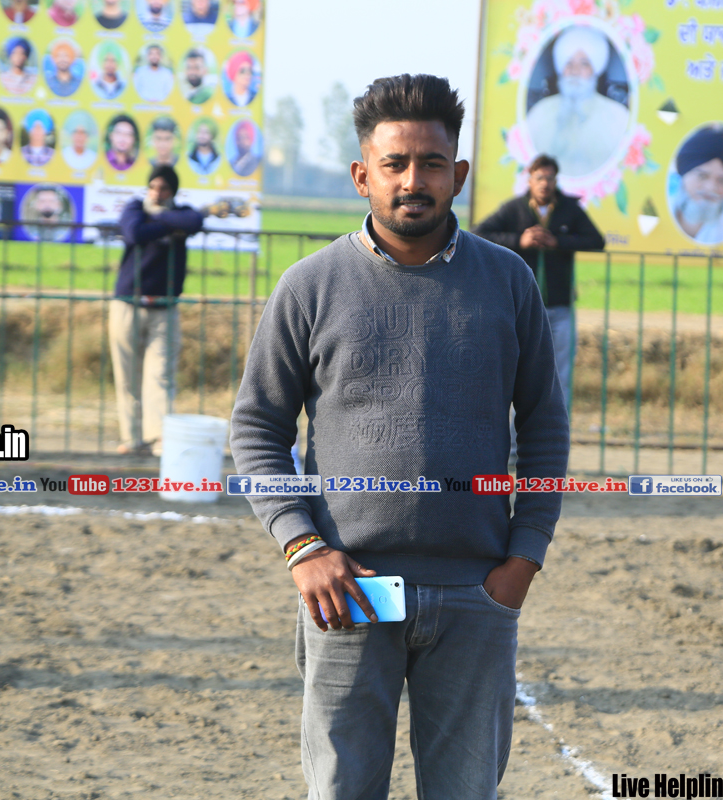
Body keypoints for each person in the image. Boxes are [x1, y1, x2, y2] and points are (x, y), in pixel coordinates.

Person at [229, 73, 568, 800]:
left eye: (432, 164)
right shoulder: (310, 285)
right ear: (363, 176)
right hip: (347, 591)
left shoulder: (508, 282)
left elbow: (544, 424)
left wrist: (524, 559)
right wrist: (302, 546)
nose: (414, 181)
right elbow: (257, 426)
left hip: (477, 591)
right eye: (395, 164)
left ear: (459, 175)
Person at [474, 154, 604, 407]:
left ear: (556, 181)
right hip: (522, 306)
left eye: (550, 178)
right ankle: (515, 433)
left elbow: (596, 240)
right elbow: (479, 232)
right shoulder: (514, 208)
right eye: (540, 177)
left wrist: (558, 242)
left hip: (560, 305)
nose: (545, 183)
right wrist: (518, 240)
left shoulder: (569, 209)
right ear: (529, 180)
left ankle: (556, 430)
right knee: (519, 374)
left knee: (560, 375)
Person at [109, 165, 205, 456]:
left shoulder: (181, 213)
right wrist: (168, 224)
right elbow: (133, 232)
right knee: (127, 376)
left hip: (164, 307)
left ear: (173, 192)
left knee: (161, 375)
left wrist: (159, 217)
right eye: (152, 187)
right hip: (127, 303)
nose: (156, 193)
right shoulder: (135, 208)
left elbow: (194, 220)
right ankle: (133, 438)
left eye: (163, 189)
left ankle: (159, 438)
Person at [525, 26, 629, 178]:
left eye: (584, 64)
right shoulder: (539, 112)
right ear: (561, 69)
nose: (575, 71)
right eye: (568, 63)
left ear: (595, 70)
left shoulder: (618, 116)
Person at [672, 126, 723, 245]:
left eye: (722, 180)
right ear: (684, 174)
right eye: (702, 176)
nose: (710, 188)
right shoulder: (659, 212)